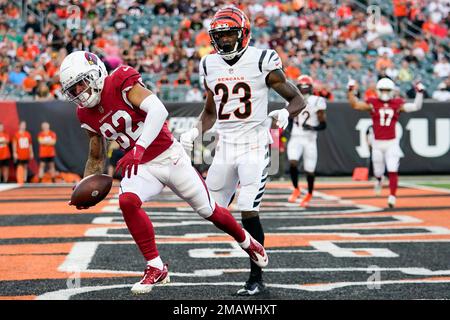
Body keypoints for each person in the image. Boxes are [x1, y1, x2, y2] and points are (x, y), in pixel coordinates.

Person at [59, 50, 267, 295]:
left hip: (169, 156)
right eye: (72, 90)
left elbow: (159, 111)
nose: (79, 93)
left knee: (209, 210)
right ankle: (156, 266)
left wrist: (139, 147)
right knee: (127, 201)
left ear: (95, 74)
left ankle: (247, 241)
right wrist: (87, 184)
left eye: (81, 84)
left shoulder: (120, 80)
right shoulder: (84, 112)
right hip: (141, 165)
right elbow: (96, 155)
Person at [180, 6, 305, 296]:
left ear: (243, 33)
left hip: (255, 146)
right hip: (224, 147)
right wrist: (195, 133)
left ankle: (256, 275)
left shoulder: (262, 59)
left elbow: (298, 99)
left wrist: (286, 113)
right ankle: (248, 240)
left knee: (248, 209)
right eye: (219, 36)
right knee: (210, 209)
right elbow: (210, 111)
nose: (224, 41)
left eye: (229, 34)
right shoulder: (209, 64)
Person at [347, 77, 425, 208]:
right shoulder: (373, 103)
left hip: (391, 143)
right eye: (382, 90)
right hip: (377, 143)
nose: (384, 93)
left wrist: (419, 93)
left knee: (392, 169)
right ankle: (379, 180)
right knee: (378, 172)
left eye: (387, 90)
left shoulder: (397, 104)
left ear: (392, 91)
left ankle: (392, 196)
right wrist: (350, 91)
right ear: (378, 90)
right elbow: (355, 105)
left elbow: (416, 106)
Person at [287, 75, 327, 207]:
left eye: (306, 88)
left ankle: (309, 193)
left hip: (310, 139)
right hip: (296, 137)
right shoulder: (291, 99)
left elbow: (323, 124)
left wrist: (312, 127)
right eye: (301, 88)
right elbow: (290, 119)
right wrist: (287, 129)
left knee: (310, 170)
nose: (303, 91)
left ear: (310, 88)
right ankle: (296, 188)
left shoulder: (317, 101)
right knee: (293, 162)